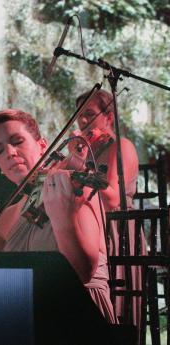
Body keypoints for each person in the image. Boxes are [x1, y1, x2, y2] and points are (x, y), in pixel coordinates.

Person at [0, 109, 116, 323]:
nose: (10, 153)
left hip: (79, 316)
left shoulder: (75, 185)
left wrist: (64, 219)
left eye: (17, 141)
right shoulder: (13, 212)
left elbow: (81, 272)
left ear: (42, 145)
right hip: (33, 315)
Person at [70, 90, 141, 326]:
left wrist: (80, 166)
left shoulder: (121, 145)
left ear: (109, 117)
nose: (82, 121)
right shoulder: (89, 150)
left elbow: (112, 199)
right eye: (79, 115)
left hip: (116, 230)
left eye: (89, 114)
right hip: (92, 229)